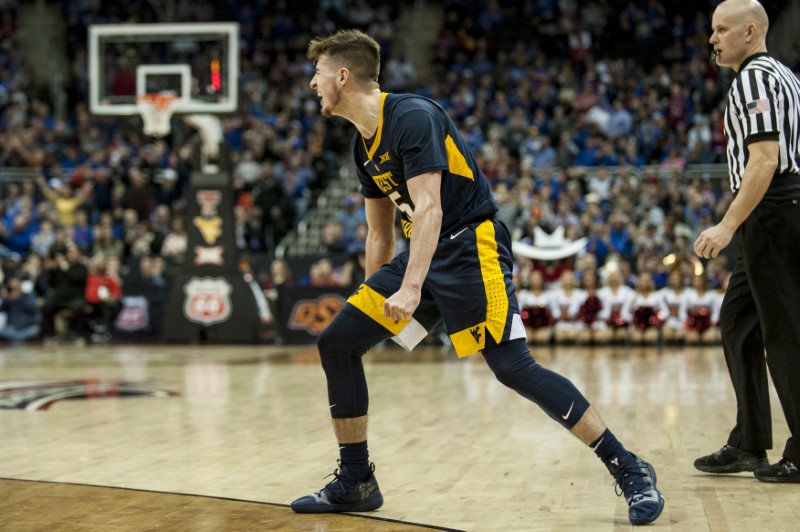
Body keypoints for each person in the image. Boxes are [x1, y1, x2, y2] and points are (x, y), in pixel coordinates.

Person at [291, 29, 665, 525]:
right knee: (338, 341)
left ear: (342, 75)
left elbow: (429, 207)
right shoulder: (364, 147)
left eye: (317, 74)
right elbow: (379, 235)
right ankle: (356, 481)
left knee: (513, 368)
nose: (312, 84)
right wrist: (373, 298)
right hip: (422, 254)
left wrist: (410, 287)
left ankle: (628, 466)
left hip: (471, 246)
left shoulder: (412, 116)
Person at [693, 0, 800, 482]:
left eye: (721, 29)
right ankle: (749, 442)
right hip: (777, 209)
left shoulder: (754, 79)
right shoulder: (783, 75)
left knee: (785, 334)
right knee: (738, 322)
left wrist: (727, 225)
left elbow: (764, 161)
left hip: (773, 210)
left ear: (750, 31)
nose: (713, 39)